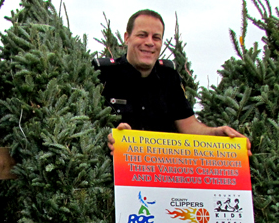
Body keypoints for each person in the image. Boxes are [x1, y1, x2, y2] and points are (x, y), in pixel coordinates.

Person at [93, 9, 250, 154]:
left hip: (163, 175)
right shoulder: (103, 74)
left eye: (156, 37)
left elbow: (189, 127)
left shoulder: (169, 77)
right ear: (127, 38)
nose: (149, 42)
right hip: (114, 175)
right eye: (142, 35)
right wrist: (108, 135)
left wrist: (216, 133)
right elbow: (86, 126)